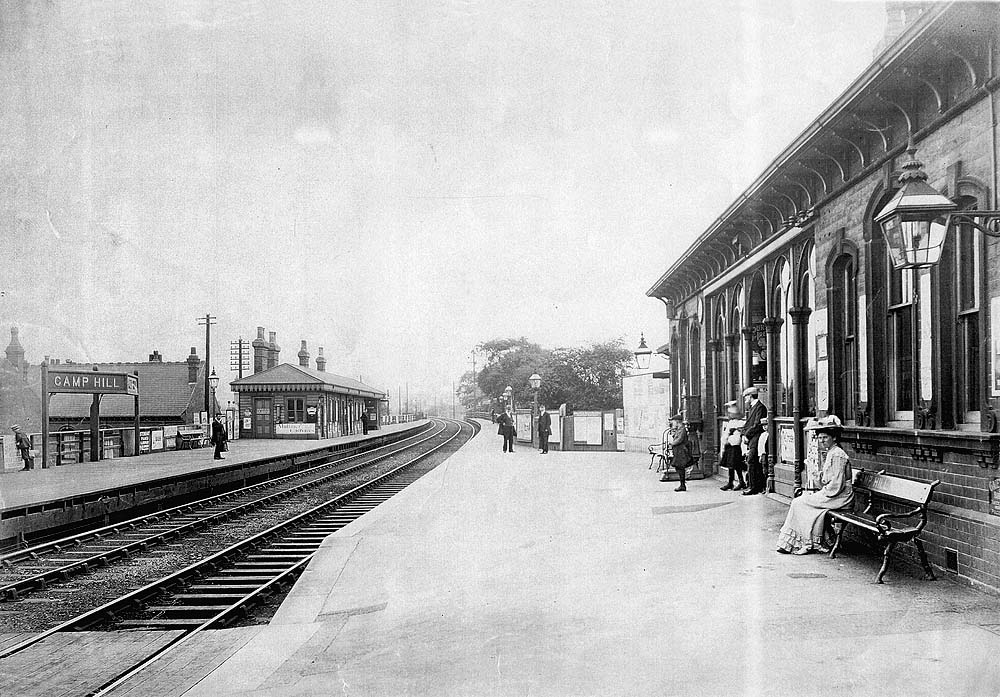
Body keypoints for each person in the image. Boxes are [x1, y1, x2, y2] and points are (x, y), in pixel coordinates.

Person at [776, 415, 854, 555]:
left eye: (825, 437)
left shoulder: (837, 455)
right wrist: (816, 474)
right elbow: (827, 480)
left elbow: (837, 484)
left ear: (834, 438)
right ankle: (809, 541)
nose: (821, 441)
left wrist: (822, 492)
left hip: (840, 496)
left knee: (799, 503)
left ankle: (807, 542)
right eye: (819, 438)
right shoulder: (831, 453)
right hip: (834, 494)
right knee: (802, 503)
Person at [741, 386, 768, 495]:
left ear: (751, 396)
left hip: (756, 438)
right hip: (752, 438)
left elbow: (757, 425)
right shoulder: (753, 407)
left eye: (746, 396)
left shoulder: (760, 407)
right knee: (751, 461)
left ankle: (754, 487)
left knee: (752, 461)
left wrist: (747, 435)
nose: (745, 399)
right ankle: (753, 485)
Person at [718, 401, 747, 491]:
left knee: (736, 465)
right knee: (730, 465)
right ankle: (730, 482)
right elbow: (726, 434)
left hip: (735, 446)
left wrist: (729, 438)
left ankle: (741, 482)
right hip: (729, 445)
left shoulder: (740, 423)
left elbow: (737, 437)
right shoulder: (731, 422)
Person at [660, 413, 691, 491]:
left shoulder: (682, 429)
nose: (672, 423)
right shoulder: (678, 429)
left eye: (673, 421)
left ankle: (682, 485)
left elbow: (679, 440)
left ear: (677, 421)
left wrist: (671, 443)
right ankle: (682, 484)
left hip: (681, 451)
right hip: (678, 451)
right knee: (678, 467)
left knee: (680, 467)